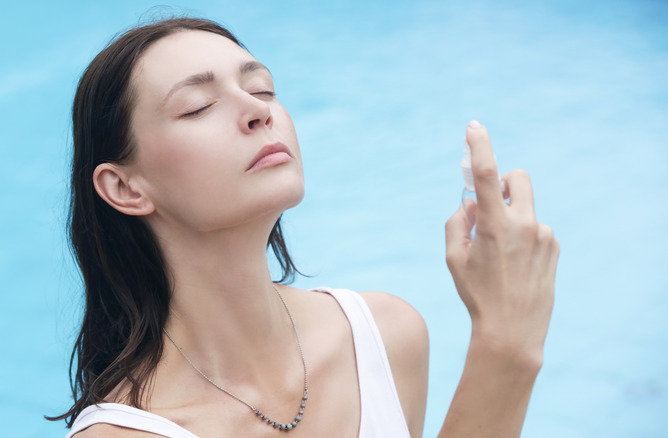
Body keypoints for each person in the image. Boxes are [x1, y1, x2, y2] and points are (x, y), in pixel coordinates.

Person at [48, 17, 560, 438]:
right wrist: (506, 344)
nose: (257, 111)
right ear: (125, 188)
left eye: (262, 88)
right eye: (199, 106)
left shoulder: (385, 337)